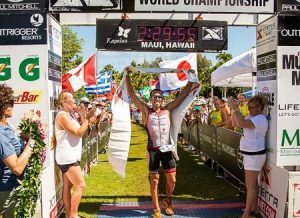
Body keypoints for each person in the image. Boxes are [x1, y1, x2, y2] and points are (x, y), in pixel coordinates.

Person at [125, 66, 199, 218]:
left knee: (172, 179)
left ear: (162, 99)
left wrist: (191, 81)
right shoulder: (145, 110)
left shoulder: (169, 109)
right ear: (151, 99)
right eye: (154, 97)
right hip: (153, 150)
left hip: (167, 149)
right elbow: (132, 94)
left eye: (159, 97)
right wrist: (126, 76)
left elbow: (183, 95)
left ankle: (168, 200)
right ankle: (156, 209)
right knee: (154, 181)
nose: (157, 99)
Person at [55, 91, 96, 218]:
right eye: (72, 99)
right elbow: (78, 133)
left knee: (67, 187)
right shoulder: (62, 116)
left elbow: (84, 128)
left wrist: (84, 115)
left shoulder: (71, 114)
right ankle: (73, 215)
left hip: (71, 155)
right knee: (81, 185)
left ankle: (68, 215)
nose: (74, 100)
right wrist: (87, 120)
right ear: (63, 102)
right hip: (67, 157)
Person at [228, 95, 268, 218]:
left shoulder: (260, 118)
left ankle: (247, 213)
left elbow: (240, 122)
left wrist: (236, 110)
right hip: (251, 154)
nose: (249, 110)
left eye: (251, 107)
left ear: (260, 108)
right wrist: (233, 109)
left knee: (250, 185)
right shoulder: (252, 116)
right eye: (248, 107)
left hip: (254, 155)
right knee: (251, 184)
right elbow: (236, 123)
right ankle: (254, 208)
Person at [0, 84, 35, 217]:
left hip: (14, 187)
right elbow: (17, 168)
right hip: (6, 190)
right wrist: (32, 142)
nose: (13, 105)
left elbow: (15, 145)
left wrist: (29, 127)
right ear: (3, 107)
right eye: (10, 103)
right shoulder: (1, 133)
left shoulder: (7, 126)